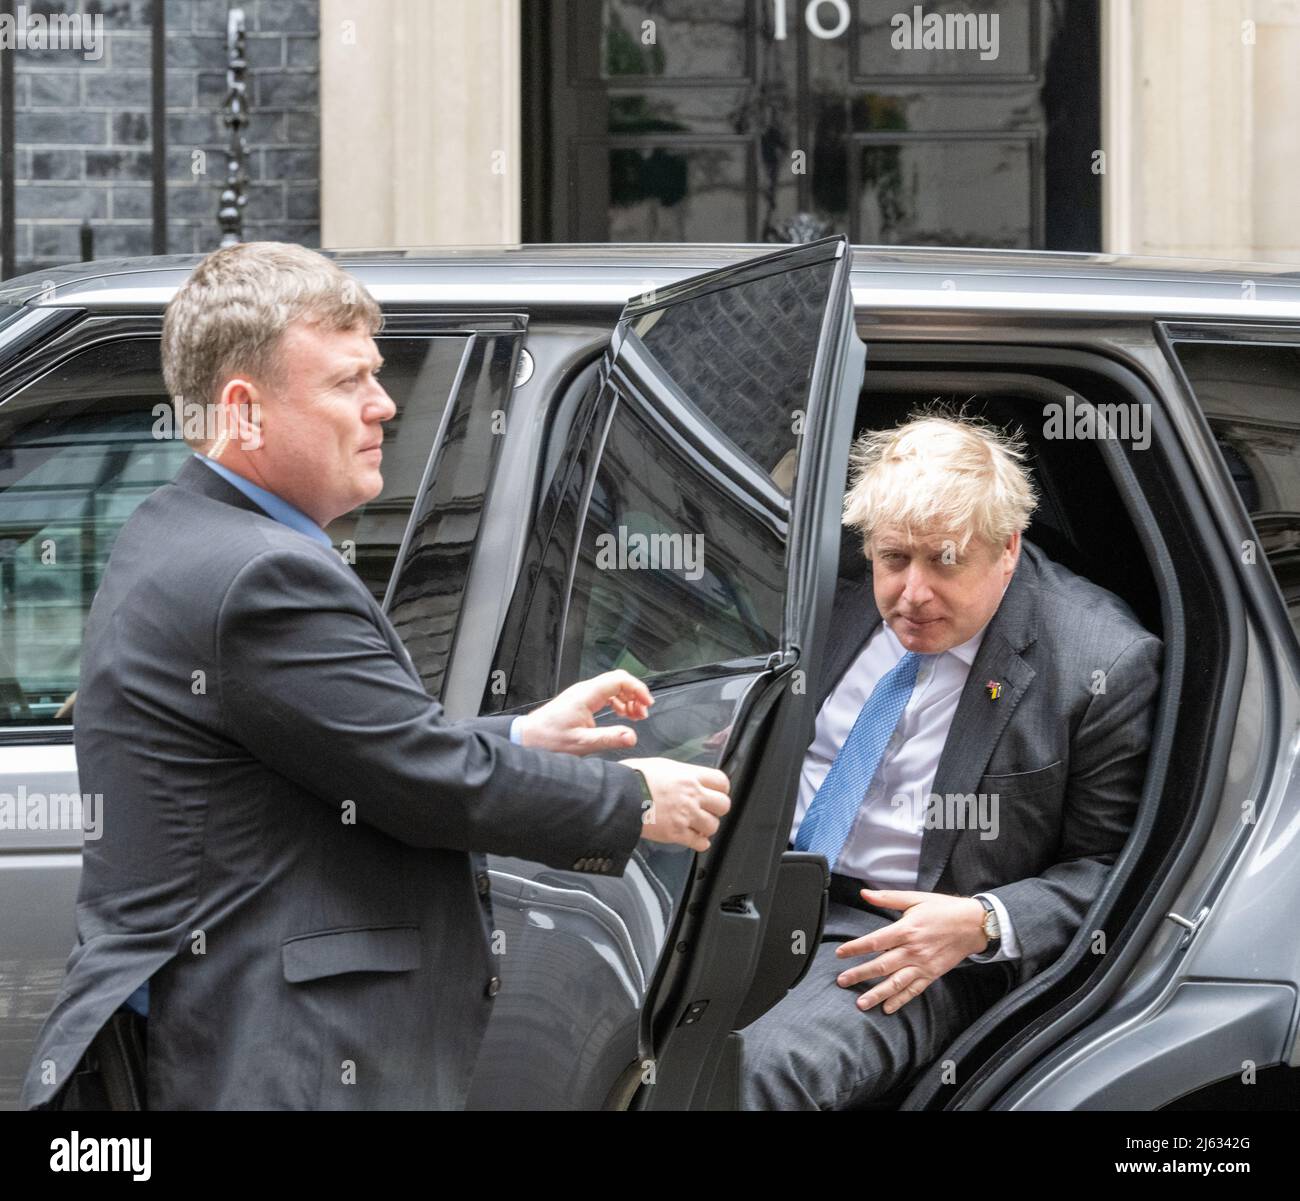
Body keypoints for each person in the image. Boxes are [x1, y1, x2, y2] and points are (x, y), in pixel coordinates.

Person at [21, 241, 730, 1110]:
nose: (384, 405)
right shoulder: (262, 576)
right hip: (282, 1061)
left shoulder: (178, 529)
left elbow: (343, 751)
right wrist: (633, 800)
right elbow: (420, 778)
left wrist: (520, 734)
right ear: (244, 412)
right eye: (348, 382)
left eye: (378, 376)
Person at [739, 412, 1162, 1109]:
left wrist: (986, 921)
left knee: (755, 1072)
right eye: (895, 558)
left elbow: (1120, 869)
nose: (912, 594)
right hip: (756, 886)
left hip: (913, 939)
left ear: (1007, 549)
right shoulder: (831, 590)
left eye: (945, 561)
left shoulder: (1101, 662)